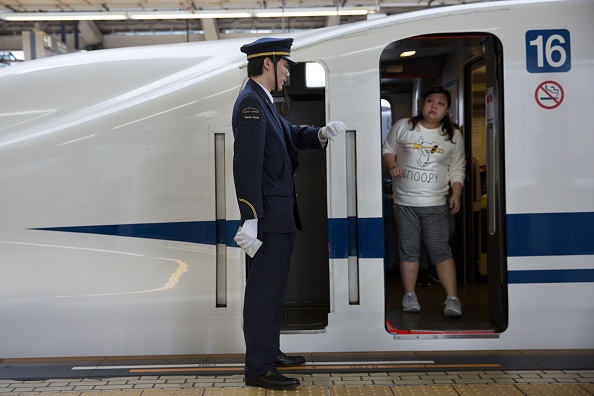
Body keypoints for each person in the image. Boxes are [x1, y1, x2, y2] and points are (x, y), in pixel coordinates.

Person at [232, 37, 346, 390]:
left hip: (277, 213)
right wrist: (250, 216)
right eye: (285, 65)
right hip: (267, 216)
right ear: (268, 63)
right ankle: (259, 369)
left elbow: (288, 135)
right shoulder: (251, 103)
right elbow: (247, 163)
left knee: (272, 289)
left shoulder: (262, 100)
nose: (286, 72)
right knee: (264, 292)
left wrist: (319, 134)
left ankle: (269, 351)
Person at [382, 86, 465, 317]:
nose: (434, 106)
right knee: (408, 251)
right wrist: (392, 165)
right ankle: (410, 296)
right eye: (430, 101)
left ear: (447, 110)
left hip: (436, 203)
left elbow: (457, 167)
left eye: (440, 103)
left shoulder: (453, 136)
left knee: (440, 251)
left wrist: (456, 193)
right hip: (404, 202)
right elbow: (387, 149)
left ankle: (452, 299)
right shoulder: (404, 126)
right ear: (422, 104)